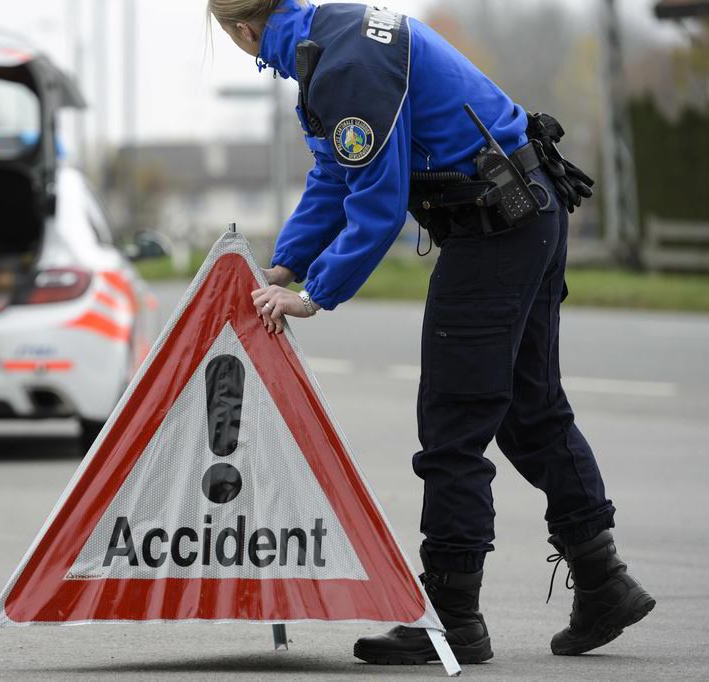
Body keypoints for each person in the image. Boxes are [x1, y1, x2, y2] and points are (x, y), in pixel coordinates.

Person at [209, 0, 655, 666]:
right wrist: (283, 263)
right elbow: (336, 173)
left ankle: (449, 618)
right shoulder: (330, 36)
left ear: (245, 31)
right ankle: (603, 583)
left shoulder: (343, 65)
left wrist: (312, 294)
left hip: (495, 224)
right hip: (525, 207)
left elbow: (378, 204)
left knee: (452, 422)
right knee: (530, 410)